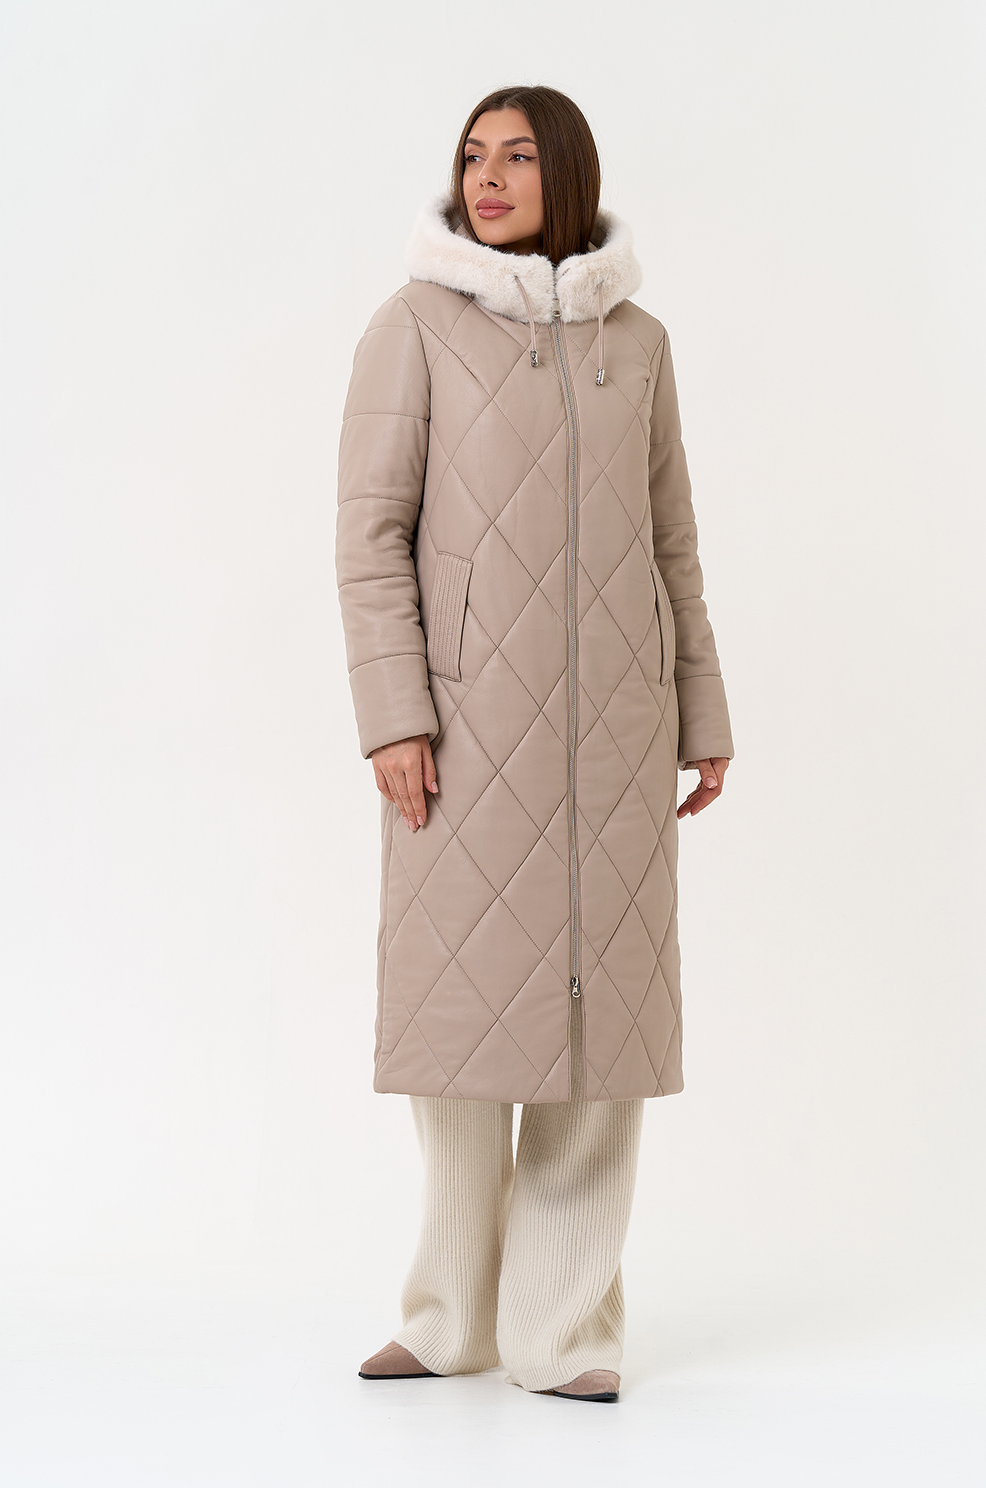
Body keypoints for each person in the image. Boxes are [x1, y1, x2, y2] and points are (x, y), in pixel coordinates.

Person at [335, 85, 734, 1403]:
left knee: (598, 1042)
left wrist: (702, 711)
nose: (489, 176)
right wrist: (395, 714)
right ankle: (450, 1316)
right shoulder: (414, 327)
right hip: (467, 737)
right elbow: (370, 537)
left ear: (568, 172)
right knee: (461, 1028)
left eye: (516, 155)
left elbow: (672, 542)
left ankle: (564, 1329)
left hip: (617, 737)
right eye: (472, 156)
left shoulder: (641, 343)